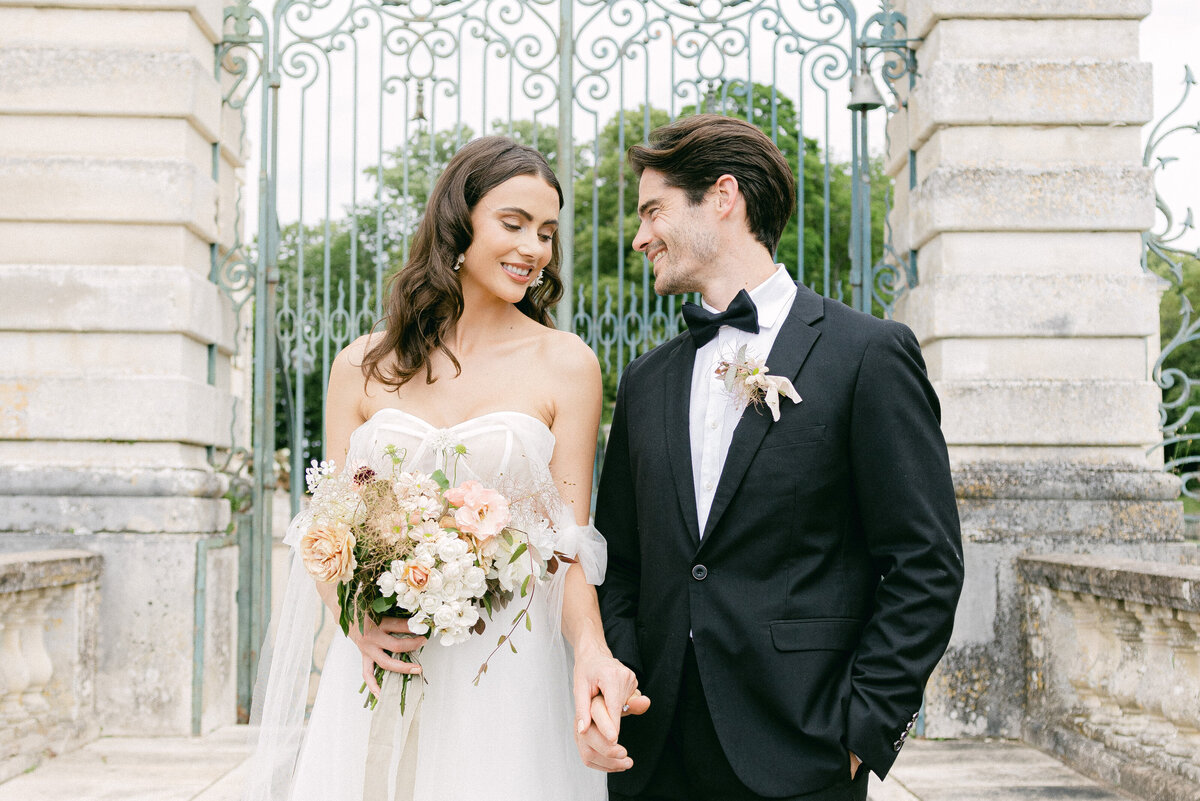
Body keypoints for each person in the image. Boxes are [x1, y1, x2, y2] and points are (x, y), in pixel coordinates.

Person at [244, 136, 647, 801]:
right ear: (458, 225)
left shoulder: (566, 365)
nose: (535, 248)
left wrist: (594, 652)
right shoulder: (361, 365)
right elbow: (328, 528)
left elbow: (568, 545)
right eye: (513, 224)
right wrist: (353, 621)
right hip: (387, 664)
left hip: (507, 674)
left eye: (546, 232)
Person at [591, 114, 965, 801]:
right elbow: (619, 563)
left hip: (803, 750)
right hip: (653, 754)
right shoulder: (645, 380)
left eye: (653, 210)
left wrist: (865, 728)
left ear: (724, 197)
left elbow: (925, 562)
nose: (640, 235)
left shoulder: (867, 356)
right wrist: (624, 679)